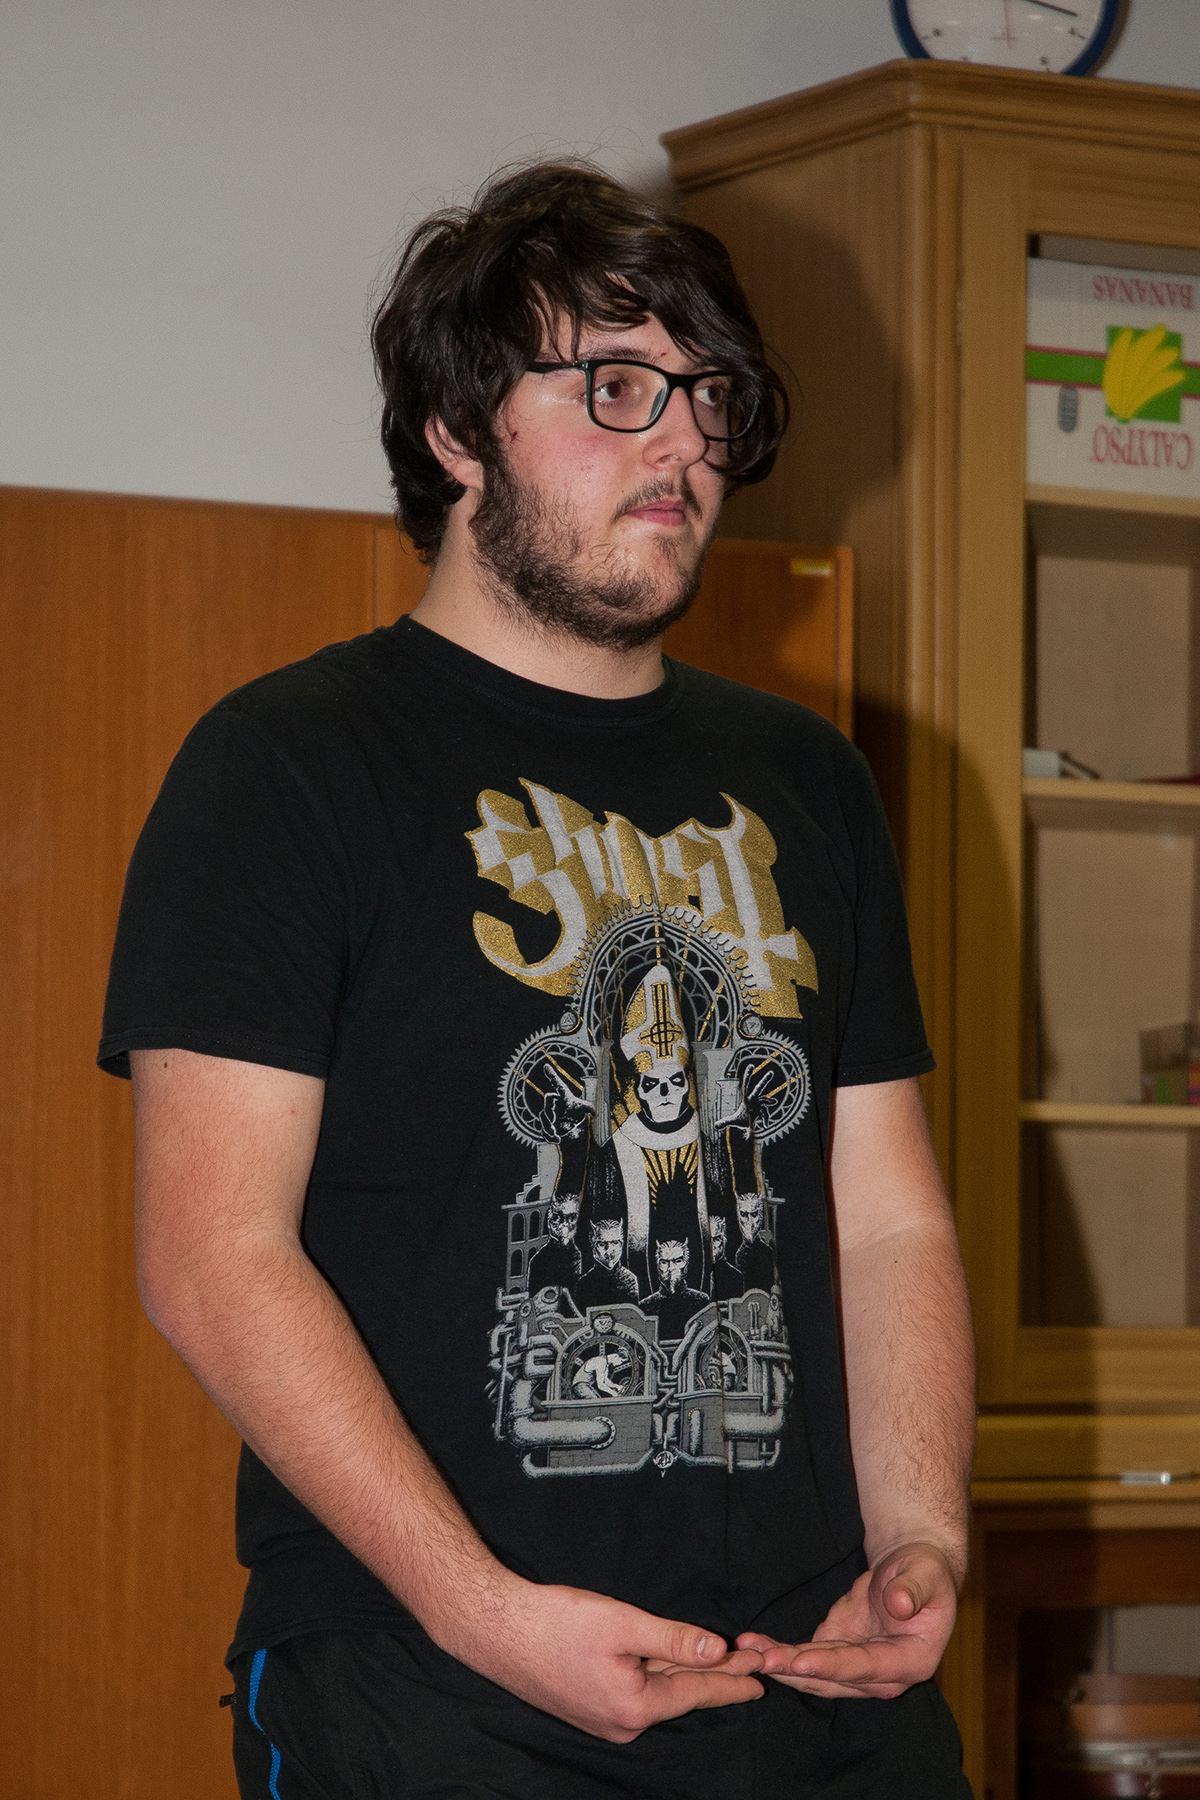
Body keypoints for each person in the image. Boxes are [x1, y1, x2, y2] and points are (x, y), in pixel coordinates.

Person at [100, 161, 975, 1797]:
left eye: (712, 398)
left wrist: (919, 1530)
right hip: (434, 1682)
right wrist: (480, 1608)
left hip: (814, 1675)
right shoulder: (288, 764)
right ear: (456, 428)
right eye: (618, 387)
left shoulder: (810, 780)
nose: (683, 446)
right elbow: (213, 1256)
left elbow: (887, 1216)